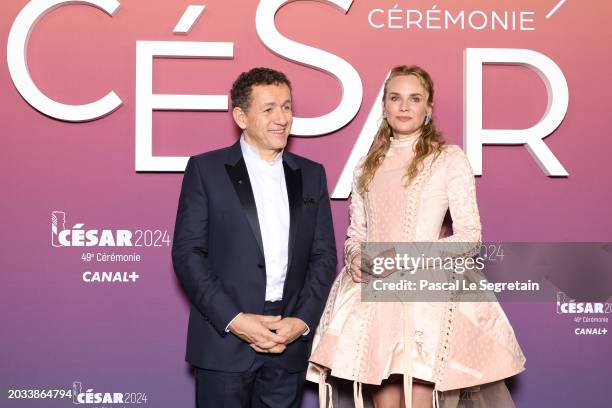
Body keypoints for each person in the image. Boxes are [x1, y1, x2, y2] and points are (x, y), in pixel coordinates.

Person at [307, 65, 526, 408]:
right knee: (386, 402)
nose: (404, 107)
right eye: (396, 98)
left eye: (415, 98)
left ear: (428, 109)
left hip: (426, 297)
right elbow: (356, 234)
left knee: (422, 400)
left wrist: (401, 258)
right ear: (385, 106)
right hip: (376, 295)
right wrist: (353, 258)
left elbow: (470, 238)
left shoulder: (448, 159)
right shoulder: (366, 166)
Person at [172, 67, 337, 407]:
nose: (282, 118)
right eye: (269, 109)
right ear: (241, 116)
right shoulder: (206, 170)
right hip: (224, 343)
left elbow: (324, 256)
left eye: (287, 107)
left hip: (288, 342)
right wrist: (236, 320)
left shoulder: (311, 174)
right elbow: (189, 254)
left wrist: (302, 321)